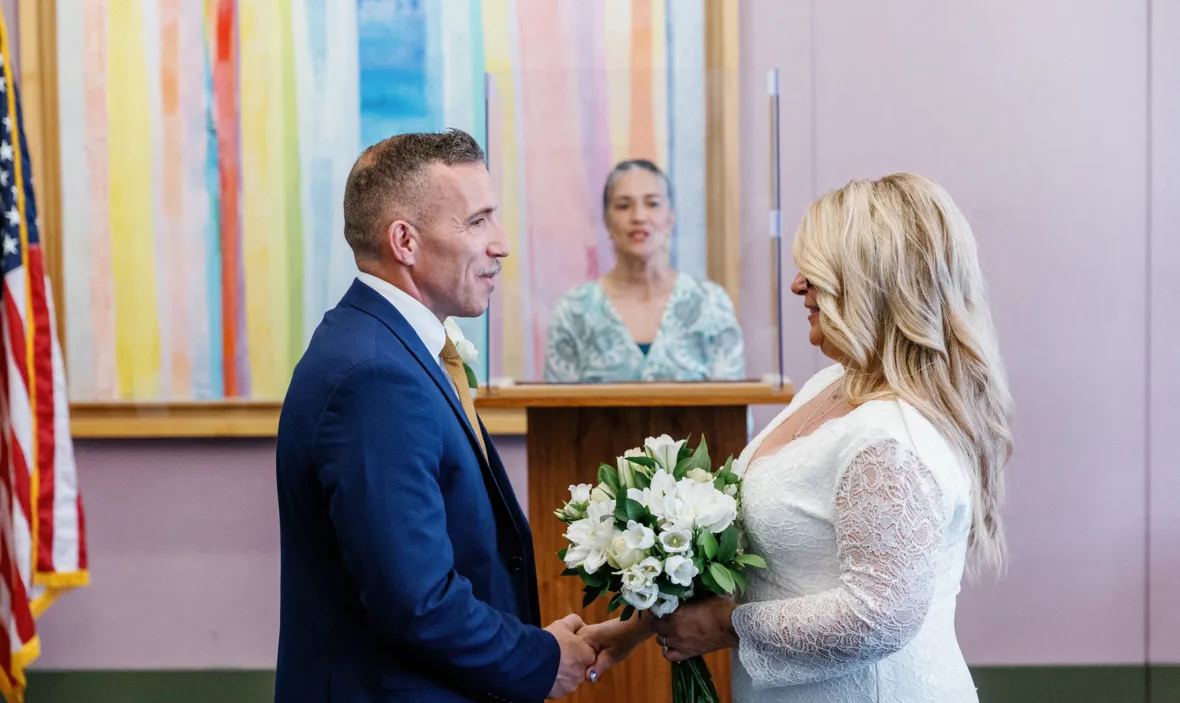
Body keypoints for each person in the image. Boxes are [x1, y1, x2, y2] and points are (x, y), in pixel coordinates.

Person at [580, 172, 1014, 703]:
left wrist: (728, 627)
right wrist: (646, 625)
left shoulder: (890, 439)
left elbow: (878, 615)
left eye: (817, 270)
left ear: (874, 279)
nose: (797, 285)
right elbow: (781, 558)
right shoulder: (829, 384)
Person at [274, 129, 596, 702]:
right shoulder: (375, 377)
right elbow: (415, 603)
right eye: (478, 221)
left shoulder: (385, 347)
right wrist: (541, 658)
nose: (500, 244)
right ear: (405, 241)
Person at [544, 159, 745, 383]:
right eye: (623, 206)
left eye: (652, 203)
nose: (638, 217)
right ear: (607, 221)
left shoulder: (710, 303)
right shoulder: (573, 311)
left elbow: (734, 410)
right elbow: (558, 412)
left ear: (671, 217)